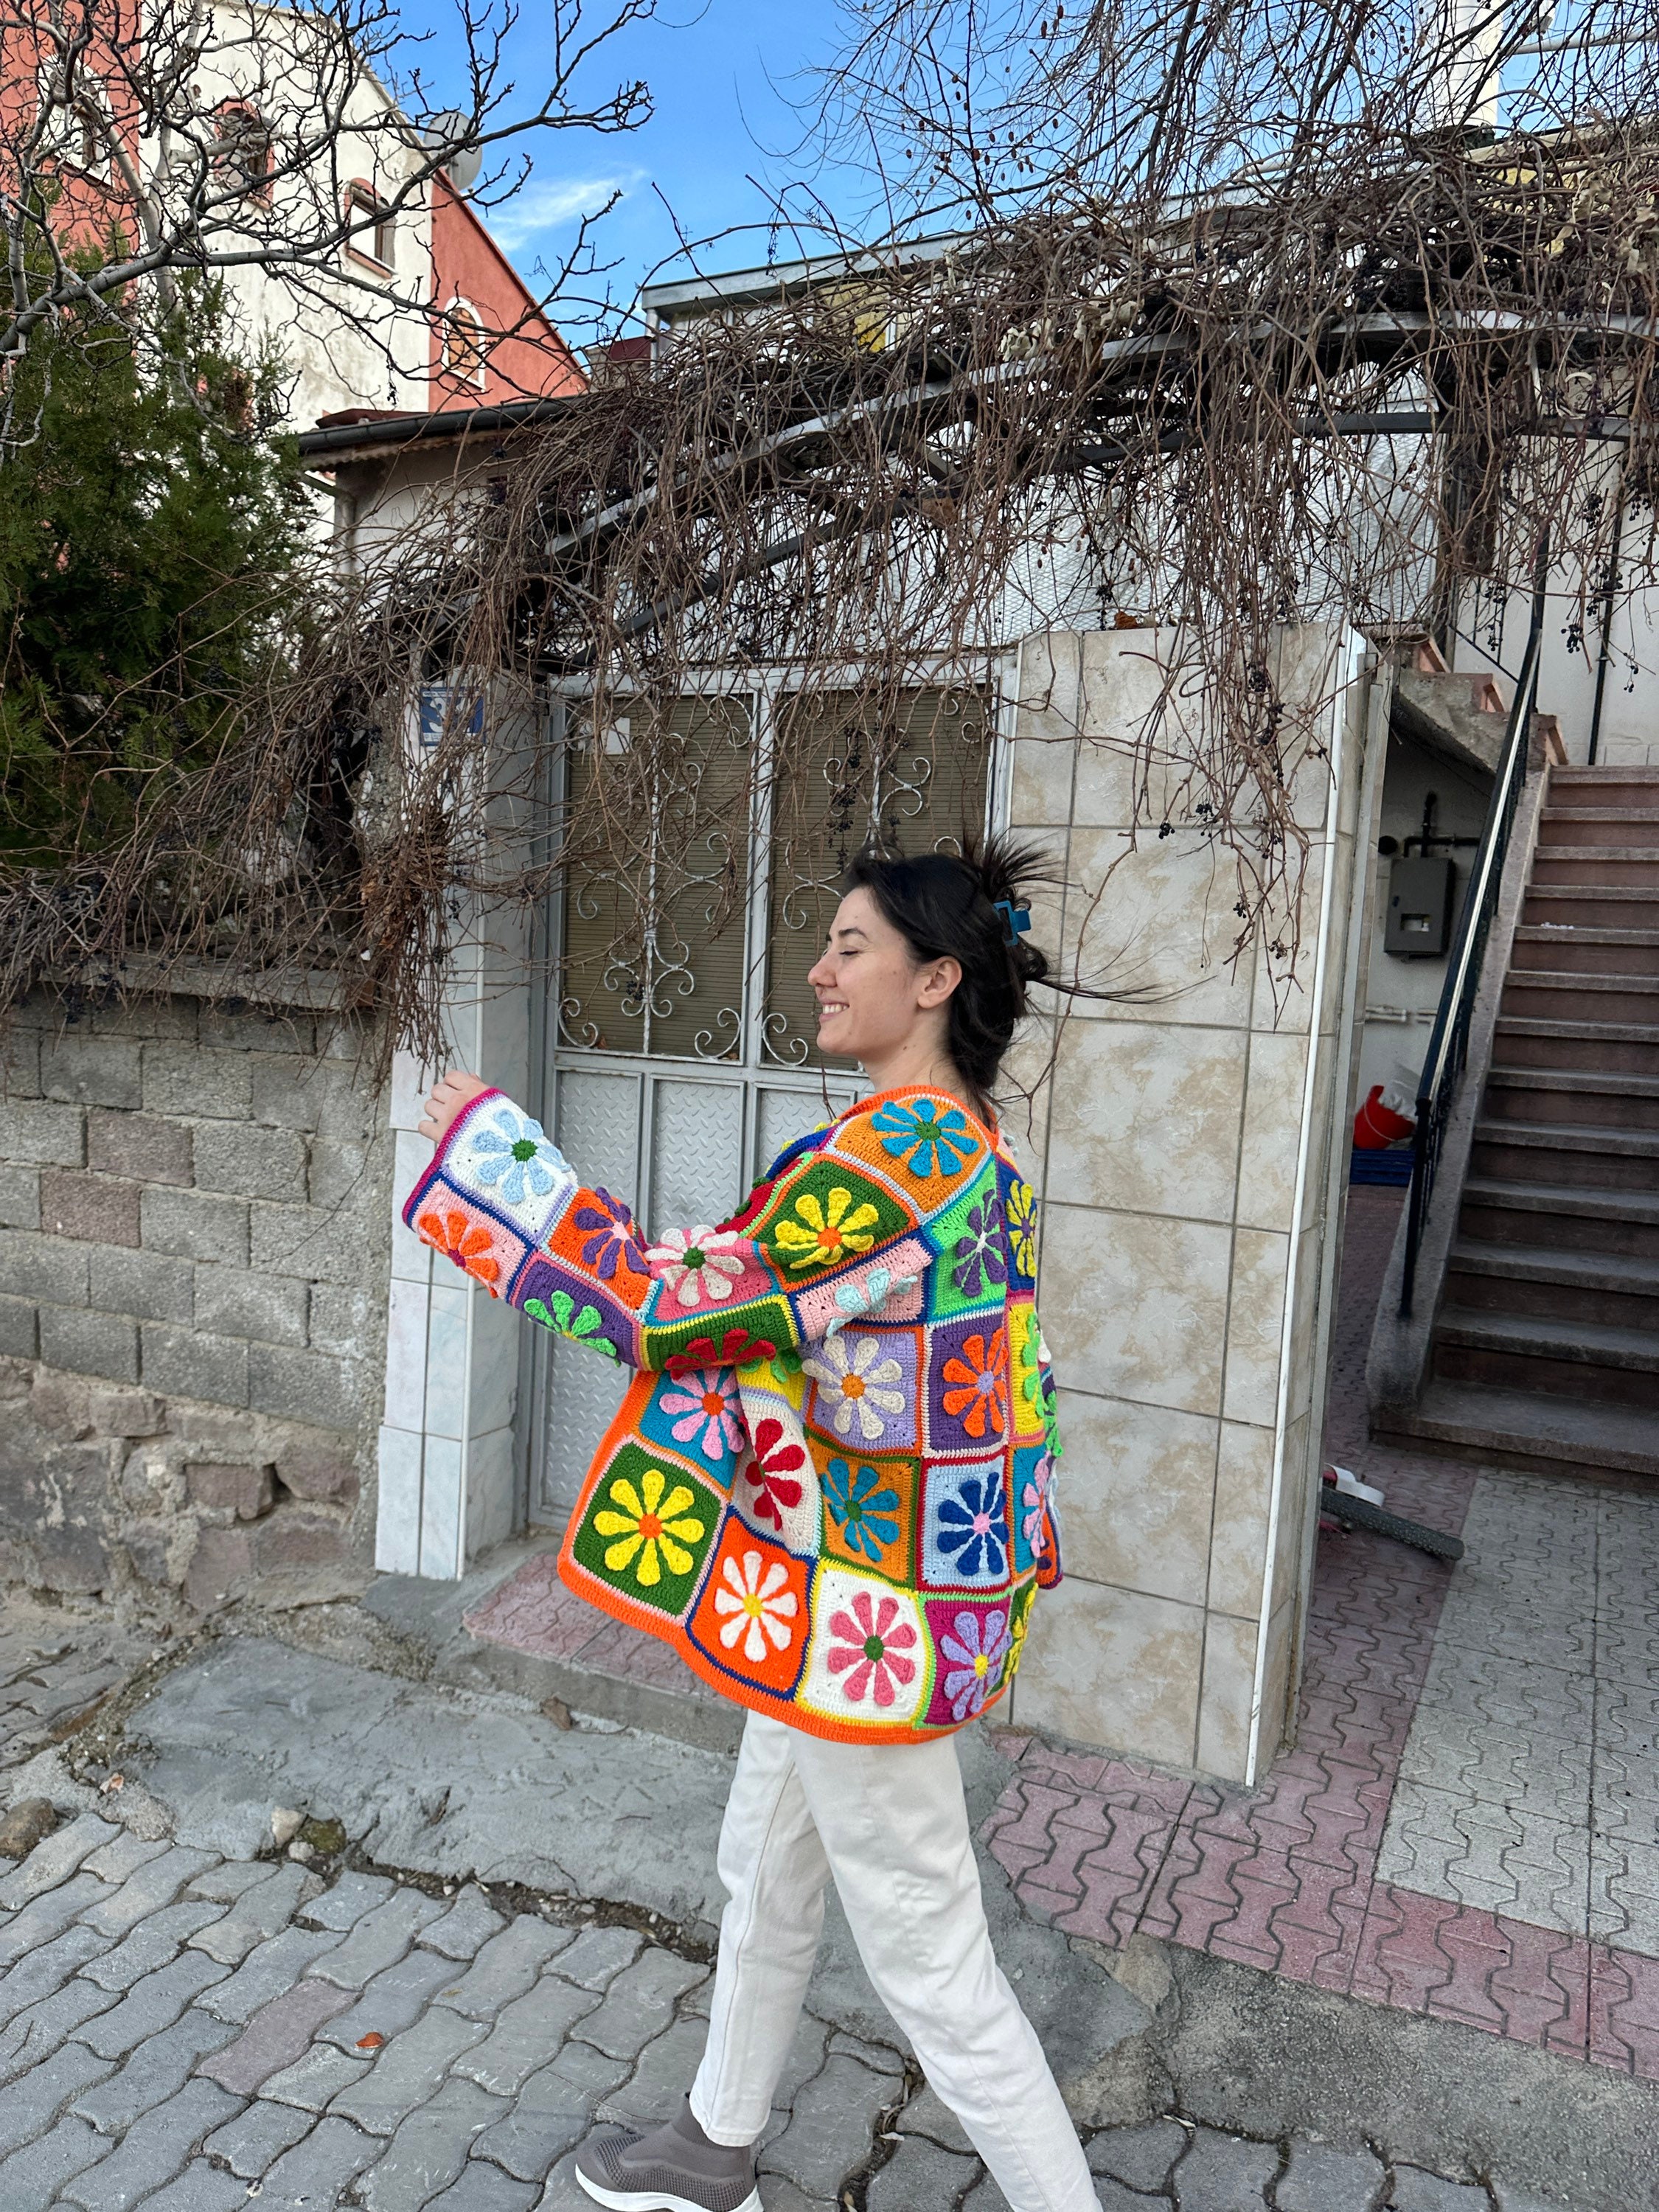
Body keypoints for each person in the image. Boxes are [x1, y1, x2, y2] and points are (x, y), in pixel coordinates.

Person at [410, 835, 1096, 2212]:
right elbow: (762, 1305)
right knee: (764, 1863)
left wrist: (494, 1157)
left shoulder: (905, 1155)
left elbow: (677, 1312)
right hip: (852, 1593)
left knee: (933, 1963)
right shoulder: (957, 1142)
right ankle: (711, 2144)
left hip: (876, 1618)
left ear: (935, 980)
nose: (820, 971)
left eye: (850, 947)